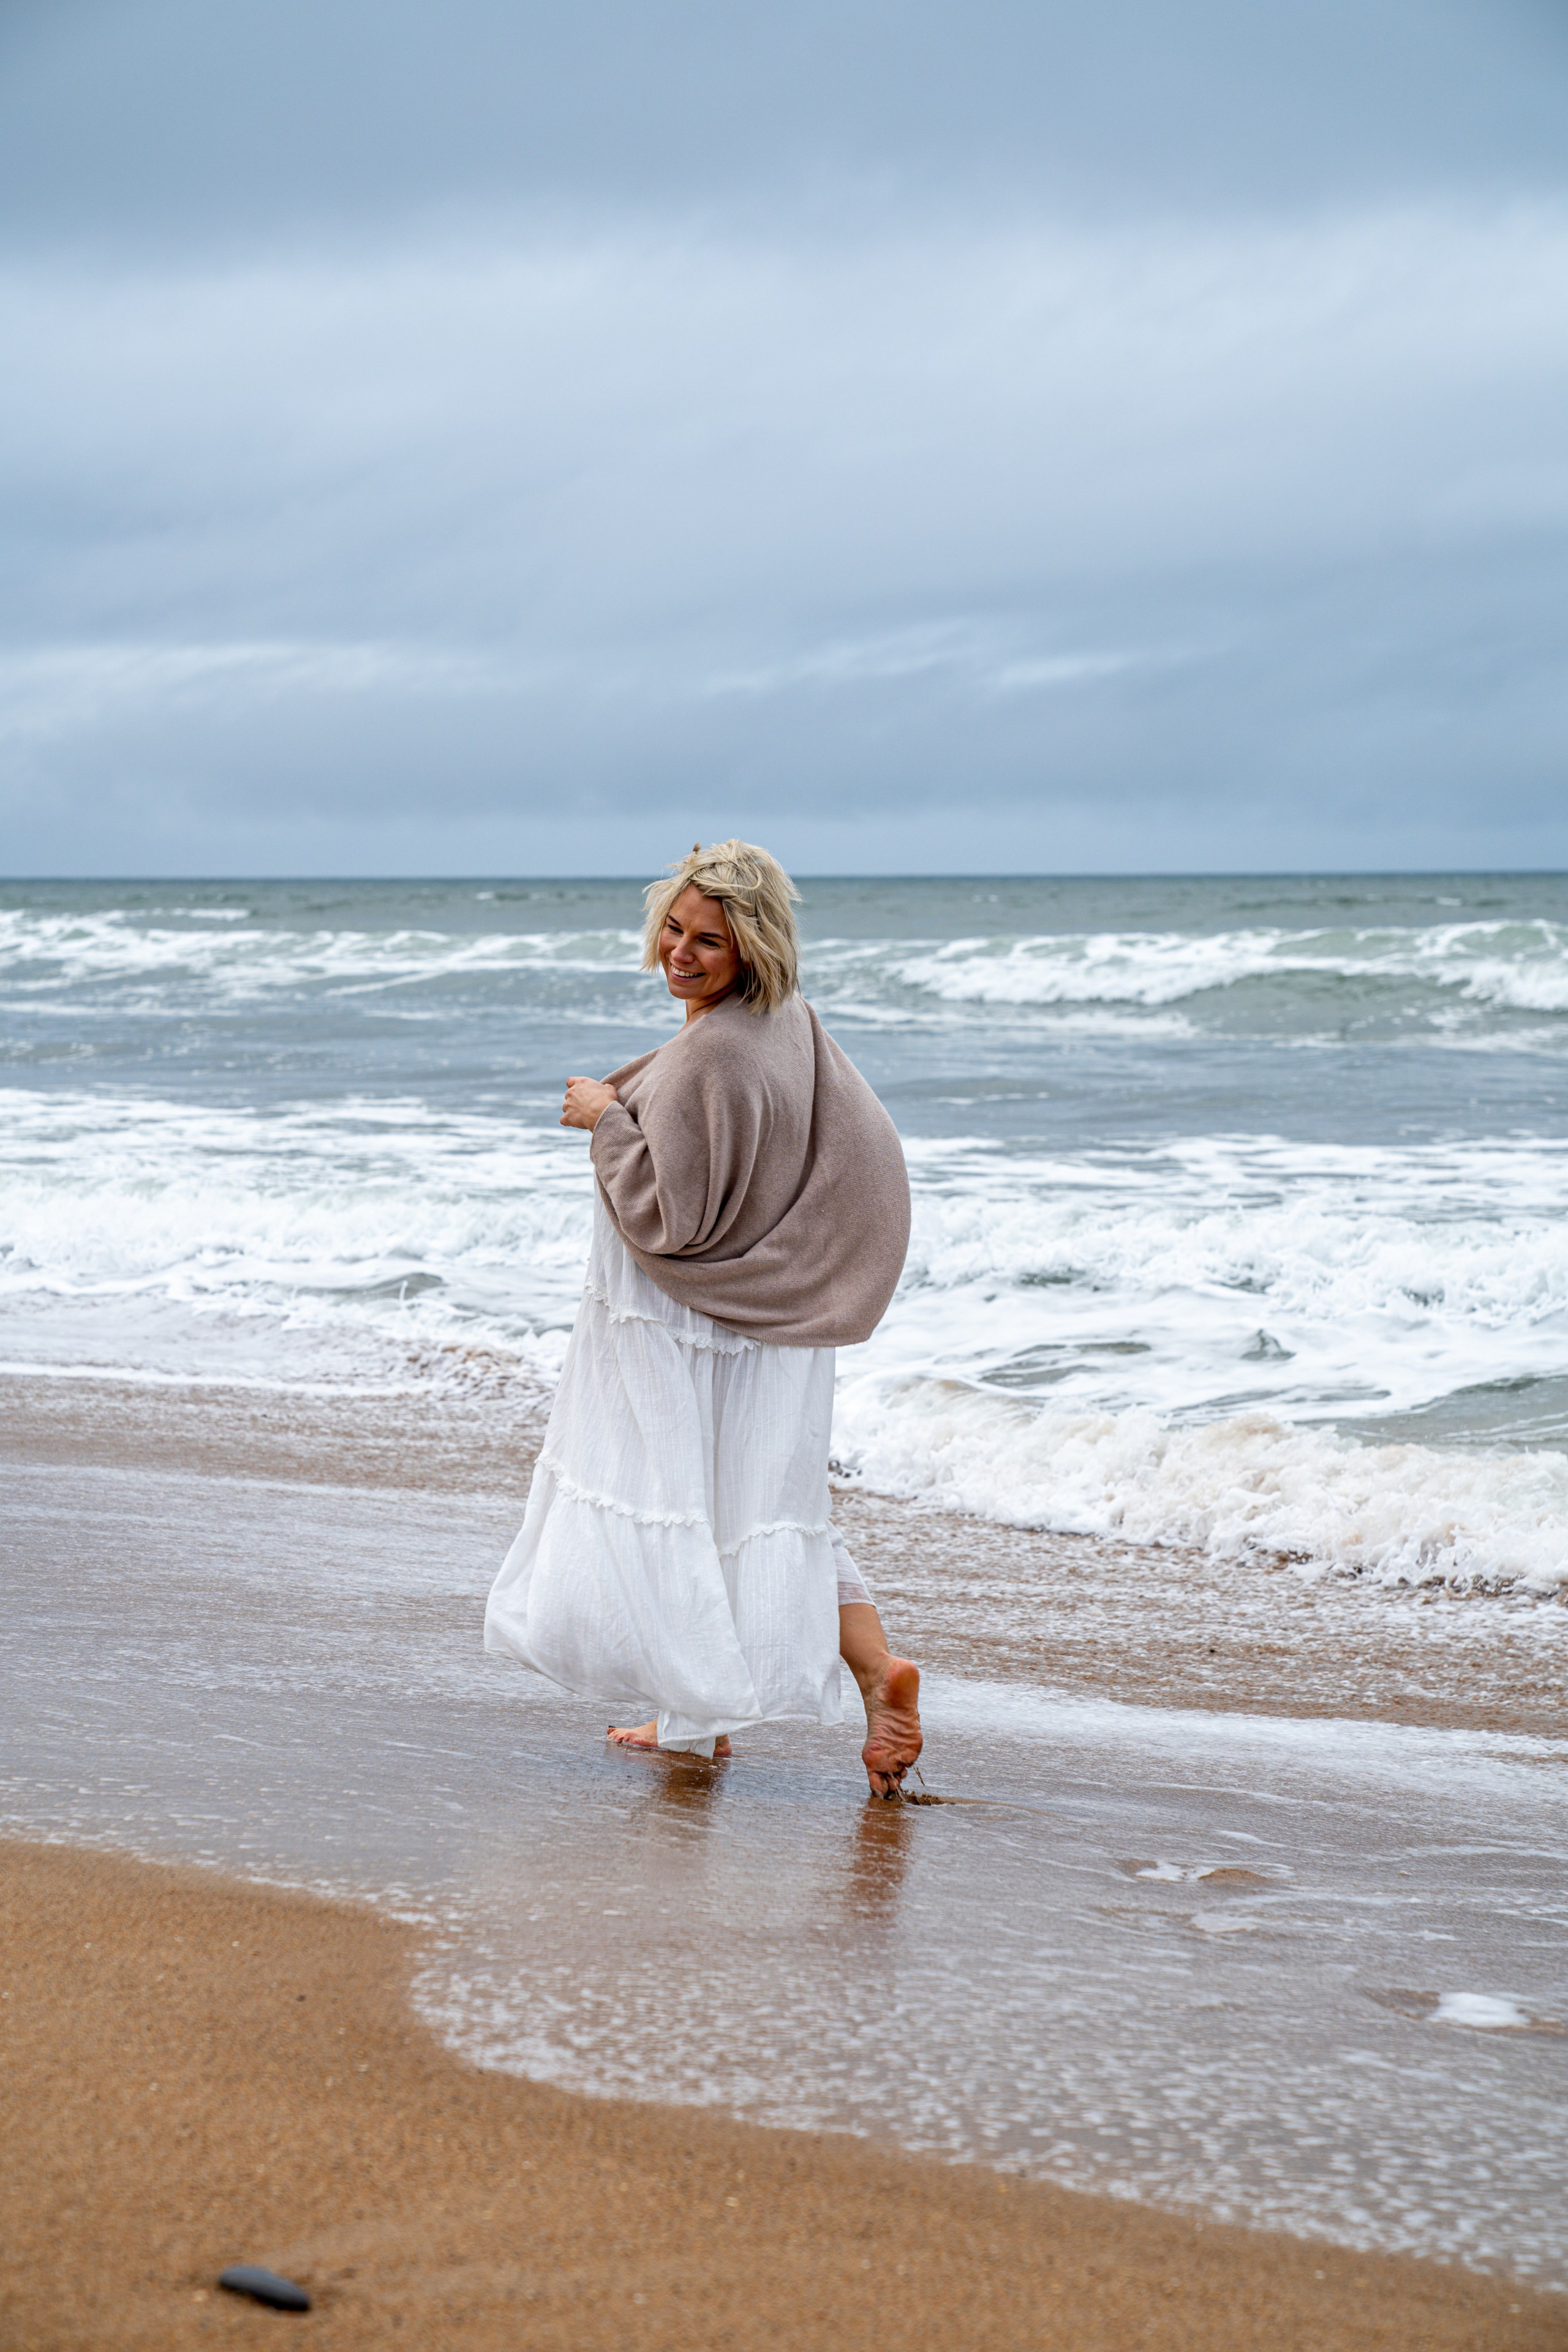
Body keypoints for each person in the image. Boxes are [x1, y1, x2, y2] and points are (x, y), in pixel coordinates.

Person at [483, 839, 923, 1796]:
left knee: (676, 1496)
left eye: (710, 942)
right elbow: (868, 1156)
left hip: (691, 1320)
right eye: (674, 930)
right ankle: (859, 1674)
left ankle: (700, 1713)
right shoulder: (788, 1025)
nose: (682, 953)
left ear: (752, 949)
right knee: (765, 1505)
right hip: (767, 1318)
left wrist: (603, 1116)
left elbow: (669, 1214)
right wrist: (810, 1268)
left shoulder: (717, 1049)